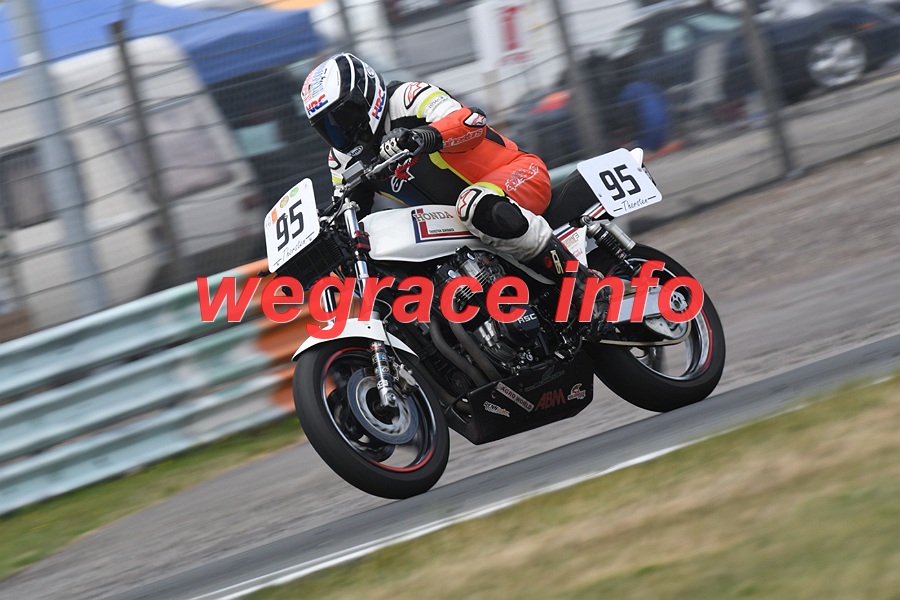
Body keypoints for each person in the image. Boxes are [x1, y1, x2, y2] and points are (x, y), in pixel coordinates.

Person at [300, 53, 601, 317]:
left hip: (518, 176)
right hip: (455, 229)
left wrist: (422, 136)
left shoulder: (408, 98)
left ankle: (580, 283)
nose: (340, 130)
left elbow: (471, 121)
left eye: (343, 116)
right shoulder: (341, 160)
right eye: (328, 126)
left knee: (473, 203)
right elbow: (349, 213)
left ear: (366, 96)